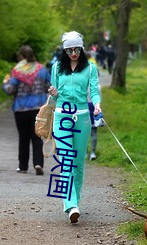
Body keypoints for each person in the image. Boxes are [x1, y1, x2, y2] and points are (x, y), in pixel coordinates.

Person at [48, 31, 101, 223]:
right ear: (64, 50)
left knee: (78, 163)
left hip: (82, 117)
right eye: (69, 50)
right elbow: (54, 96)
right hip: (62, 116)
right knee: (66, 161)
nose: (73, 53)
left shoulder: (90, 68)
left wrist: (96, 104)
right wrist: (53, 92)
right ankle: (70, 204)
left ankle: (75, 202)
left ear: (82, 48)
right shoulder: (56, 68)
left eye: (77, 49)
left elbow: (94, 90)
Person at [2, 45, 51, 175]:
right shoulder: (42, 70)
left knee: (23, 138)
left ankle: (23, 166)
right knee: (36, 137)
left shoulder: (17, 71)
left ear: (21, 57)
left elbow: (10, 90)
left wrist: (5, 83)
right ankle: (38, 163)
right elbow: (49, 87)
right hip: (38, 109)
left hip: (21, 109)